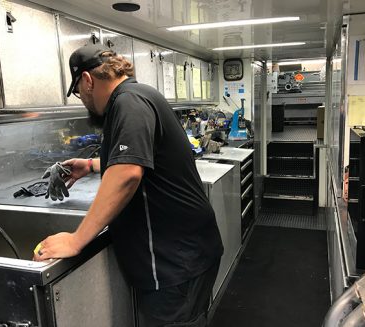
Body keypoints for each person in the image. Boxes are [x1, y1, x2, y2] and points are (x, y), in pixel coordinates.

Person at [33, 44, 224, 327]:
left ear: (87, 80)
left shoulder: (128, 102)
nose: (83, 100)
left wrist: (77, 239)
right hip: (188, 250)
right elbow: (144, 159)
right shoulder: (140, 94)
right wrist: (90, 165)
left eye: (79, 92)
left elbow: (127, 174)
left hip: (173, 259)